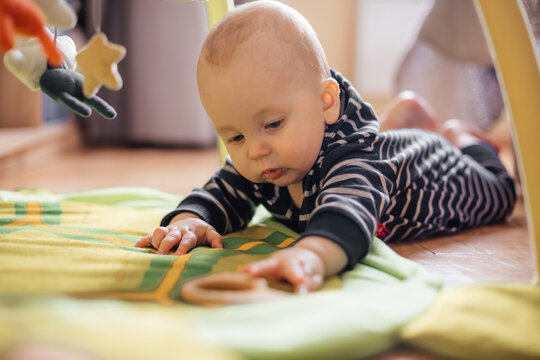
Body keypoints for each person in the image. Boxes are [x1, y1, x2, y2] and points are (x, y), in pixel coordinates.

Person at [135, 1, 516, 293]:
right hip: (391, 154)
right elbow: (223, 190)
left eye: (272, 124)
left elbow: (346, 213)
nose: (255, 150)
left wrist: (310, 255)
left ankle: (462, 137)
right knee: (248, 170)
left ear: (326, 102)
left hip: (446, 174)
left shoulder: (353, 164)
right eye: (235, 137)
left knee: (501, 195)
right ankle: (400, 123)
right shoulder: (269, 156)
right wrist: (190, 221)